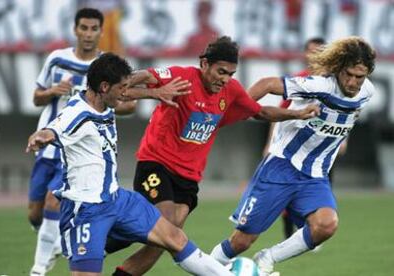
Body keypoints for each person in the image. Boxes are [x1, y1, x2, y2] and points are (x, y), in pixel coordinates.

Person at [109, 36, 320, 276]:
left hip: (188, 176)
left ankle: (107, 244)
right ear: (204, 64)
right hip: (156, 163)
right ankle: (101, 239)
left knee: (163, 240)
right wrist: (153, 90)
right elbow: (145, 76)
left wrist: (297, 114)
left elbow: (260, 111)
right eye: (221, 71)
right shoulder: (182, 76)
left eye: (231, 73)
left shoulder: (231, 90)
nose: (225, 79)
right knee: (166, 227)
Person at [26, 52, 237, 276]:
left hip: (117, 200)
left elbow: (129, 93)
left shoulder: (102, 101)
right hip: (86, 210)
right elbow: (55, 128)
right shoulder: (78, 113)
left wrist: (155, 92)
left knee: (174, 237)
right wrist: (42, 135)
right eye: (122, 88)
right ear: (105, 87)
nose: (126, 94)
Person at [210, 36, 376, 276]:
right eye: (347, 74)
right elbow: (266, 84)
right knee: (242, 241)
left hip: (315, 174)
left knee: (326, 225)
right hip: (282, 166)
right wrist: (225, 111)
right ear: (338, 69)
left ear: (367, 73)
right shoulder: (318, 85)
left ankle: (268, 258)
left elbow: (348, 115)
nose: (352, 81)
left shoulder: (366, 92)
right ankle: (206, 268)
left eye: (358, 77)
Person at [28, 8, 136, 276]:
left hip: (76, 148)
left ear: (101, 31)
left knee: (54, 199)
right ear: (75, 29)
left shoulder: (106, 67)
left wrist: (107, 105)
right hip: (48, 141)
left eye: (93, 29)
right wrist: (53, 91)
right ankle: (53, 242)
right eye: (84, 28)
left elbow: (126, 104)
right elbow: (36, 98)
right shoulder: (56, 59)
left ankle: (38, 269)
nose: (88, 34)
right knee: (35, 212)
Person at [263, 37, 328, 240]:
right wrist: (270, 143)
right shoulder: (297, 81)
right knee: (286, 191)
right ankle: (290, 235)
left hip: (321, 149)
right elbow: (278, 113)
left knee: (318, 195)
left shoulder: (335, 83)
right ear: (305, 54)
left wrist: (344, 141)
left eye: (319, 51)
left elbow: (346, 115)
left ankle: (311, 232)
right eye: (311, 51)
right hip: (293, 147)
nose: (314, 56)